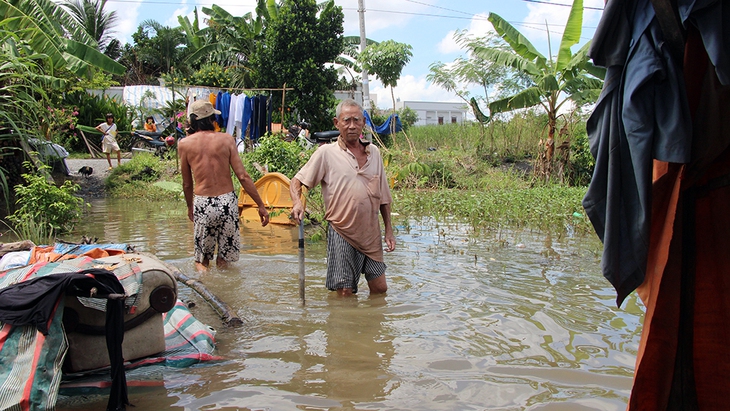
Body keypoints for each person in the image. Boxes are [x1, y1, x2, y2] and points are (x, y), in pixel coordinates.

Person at [290, 99, 396, 296]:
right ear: (336, 123)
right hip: (342, 232)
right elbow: (297, 181)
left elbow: (384, 197)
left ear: (364, 122)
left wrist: (389, 230)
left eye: (356, 120)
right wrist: (297, 202)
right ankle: (344, 325)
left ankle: (370, 326)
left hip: (371, 234)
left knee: (380, 290)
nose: (352, 126)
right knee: (345, 292)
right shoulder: (326, 153)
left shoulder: (374, 153)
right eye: (346, 120)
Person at [179, 100, 270, 271]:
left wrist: (190, 206)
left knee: (201, 260)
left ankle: (204, 292)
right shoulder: (227, 140)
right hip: (227, 202)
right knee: (224, 259)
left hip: (203, 202)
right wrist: (260, 205)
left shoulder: (185, 144)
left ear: (192, 121)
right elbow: (243, 176)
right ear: (211, 118)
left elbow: (186, 183)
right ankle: (226, 295)